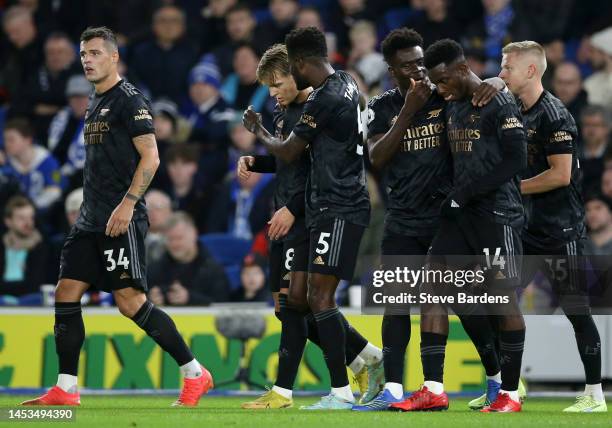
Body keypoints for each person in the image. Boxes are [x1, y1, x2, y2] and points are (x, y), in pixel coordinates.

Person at [21, 27, 212, 408]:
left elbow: (152, 157)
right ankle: (66, 388)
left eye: (93, 53)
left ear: (113, 57)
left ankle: (195, 372)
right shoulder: (95, 100)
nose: (86, 60)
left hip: (119, 218)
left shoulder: (129, 100)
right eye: (82, 54)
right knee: (66, 292)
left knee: (130, 302)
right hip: (90, 220)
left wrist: (128, 204)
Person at [240, 43, 383, 410]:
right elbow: (288, 161)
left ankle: (289, 391)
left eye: (276, 83)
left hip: (308, 215)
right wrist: (257, 163)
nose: (272, 92)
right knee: (292, 304)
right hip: (289, 215)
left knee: (300, 304)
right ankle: (362, 357)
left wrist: (291, 207)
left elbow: (312, 166)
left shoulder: (316, 107)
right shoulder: (286, 109)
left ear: (296, 73)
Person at [410, 38, 528, 413]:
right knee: (432, 287)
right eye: (436, 83)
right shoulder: (454, 102)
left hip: (496, 214)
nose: (440, 89)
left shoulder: (497, 99)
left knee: (501, 301)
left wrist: (468, 192)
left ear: (462, 69)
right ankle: (433, 387)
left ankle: (509, 393)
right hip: (461, 214)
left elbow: (516, 159)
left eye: (444, 80)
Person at [498, 40, 606, 413]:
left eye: (507, 67)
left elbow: (560, 175)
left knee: (577, 310)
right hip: (524, 228)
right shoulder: (512, 108)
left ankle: (594, 394)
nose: (501, 73)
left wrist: (512, 189)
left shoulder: (555, 114)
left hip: (561, 230)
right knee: (498, 303)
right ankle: (509, 388)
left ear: (530, 70)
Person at [148, 212, 230, 305]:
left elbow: (223, 306)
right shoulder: (154, 270)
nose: (175, 244)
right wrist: (151, 300)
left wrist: (190, 298)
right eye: (170, 239)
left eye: (179, 238)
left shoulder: (213, 270)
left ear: (194, 234)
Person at [2, 118, 62, 212]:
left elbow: (56, 189)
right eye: (5, 140)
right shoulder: (6, 163)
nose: (7, 144)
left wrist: (33, 207)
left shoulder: (49, 162)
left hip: (44, 214)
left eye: (11, 140)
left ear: (28, 140)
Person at [47, 75, 90, 193]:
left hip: (89, 177)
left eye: (82, 97)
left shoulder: (102, 119)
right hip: (62, 175)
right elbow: (55, 154)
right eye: (74, 97)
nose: (78, 102)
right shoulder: (62, 118)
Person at [0, 196, 49, 298]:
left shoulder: (41, 247)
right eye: (21, 218)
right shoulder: (2, 245)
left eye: (30, 217)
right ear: (8, 221)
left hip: (29, 306)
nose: (28, 223)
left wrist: (5, 287)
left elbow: (34, 286)